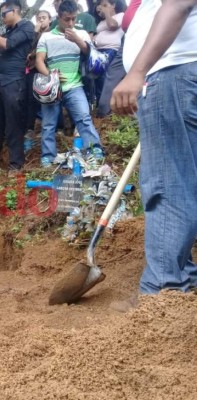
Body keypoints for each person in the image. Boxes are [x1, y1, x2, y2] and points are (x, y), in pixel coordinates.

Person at [111, 0, 197, 295]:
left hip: (172, 73)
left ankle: (164, 291)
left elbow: (178, 4)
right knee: (184, 180)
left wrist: (137, 72)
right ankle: (183, 276)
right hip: (182, 76)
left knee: (168, 184)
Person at [36, 0, 104, 168]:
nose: (71, 23)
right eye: (67, 19)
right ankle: (47, 157)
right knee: (49, 124)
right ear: (58, 17)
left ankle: (94, 150)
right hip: (52, 87)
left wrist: (77, 40)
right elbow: (39, 61)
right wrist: (52, 77)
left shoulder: (81, 34)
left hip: (75, 85)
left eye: (73, 19)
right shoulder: (46, 36)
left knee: (83, 117)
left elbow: (91, 54)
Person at [0, 0, 35, 176]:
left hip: (15, 80)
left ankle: (15, 164)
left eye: (5, 13)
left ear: (16, 10)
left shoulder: (26, 26)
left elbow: (8, 44)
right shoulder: (6, 32)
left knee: (13, 123)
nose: (2, 17)